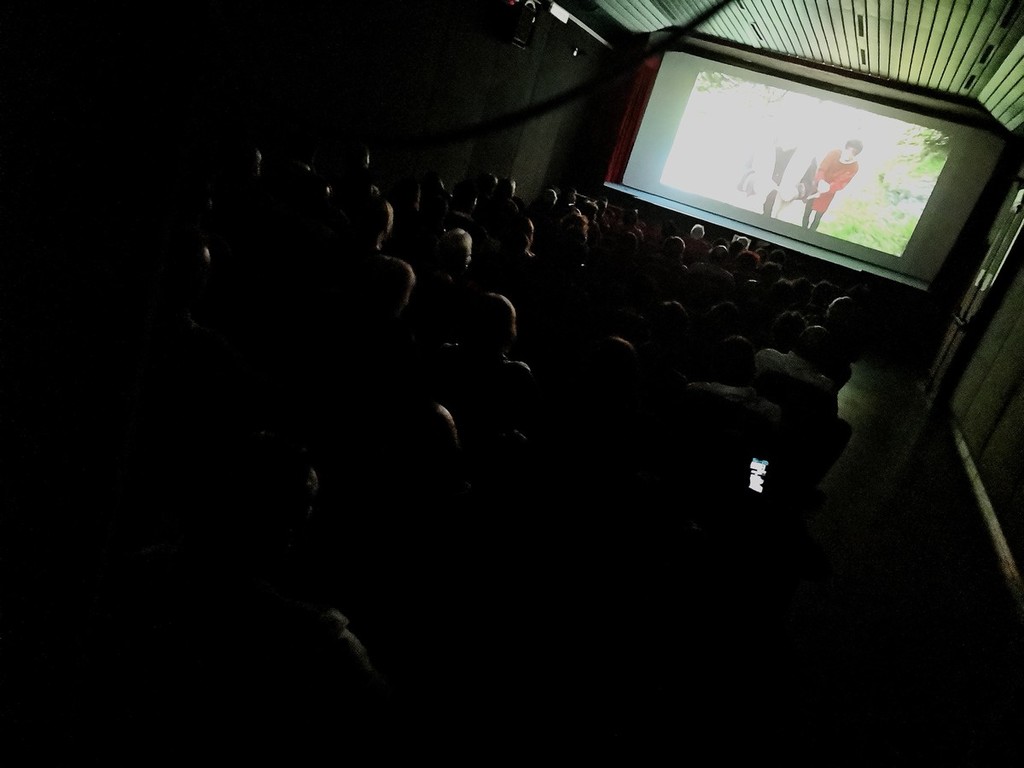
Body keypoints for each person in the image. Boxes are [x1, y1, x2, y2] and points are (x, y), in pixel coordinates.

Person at [801, 139, 863, 231]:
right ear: (845, 148)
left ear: (856, 154)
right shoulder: (834, 153)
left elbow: (842, 183)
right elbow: (822, 168)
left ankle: (811, 233)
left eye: (853, 152)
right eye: (848, 149)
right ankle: (802, 230)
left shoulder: (854, 167)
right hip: (816, 187)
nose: (849, 153)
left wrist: (829, 188)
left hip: (828, 194)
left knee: (818, 217)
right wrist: (820, 181)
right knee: (807, 212)